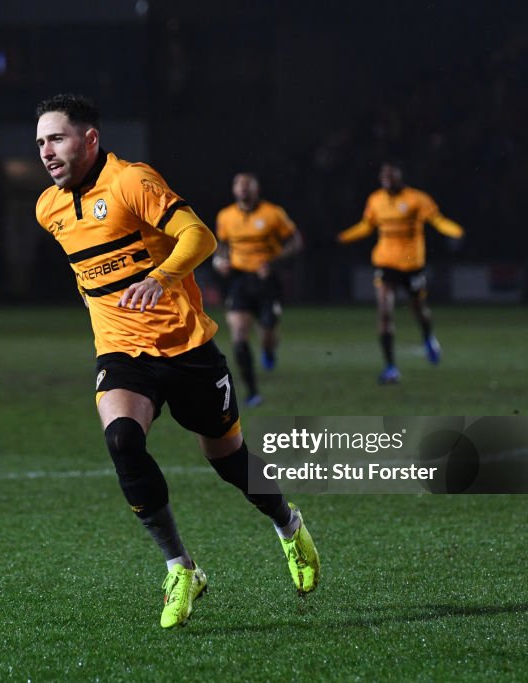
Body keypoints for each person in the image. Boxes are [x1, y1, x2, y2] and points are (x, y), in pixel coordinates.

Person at [34, 93, 319, 629]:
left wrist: (161, 277)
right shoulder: (48, 208)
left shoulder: (131, 182)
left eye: (57, 138)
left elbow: (200, 236)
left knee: (229, 462)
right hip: (122, 354)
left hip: (187, 350)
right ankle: (181, 567)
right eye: (41, 142)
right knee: (121, 439)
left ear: (89, 139)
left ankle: (287, 525)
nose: (46, 152)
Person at [337, 162, 464, 384]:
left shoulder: (417, 199)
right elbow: (367, 226)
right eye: (384, 177)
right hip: (385, 263)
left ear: (399, 177)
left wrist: (454, 231)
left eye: (391, 176)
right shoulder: (375, 200)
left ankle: (428, 338)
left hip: (412, 264)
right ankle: (390, 367)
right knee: (384, 312)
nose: (387, 180)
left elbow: (437, 220)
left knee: (419, 310)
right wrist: (344, 237)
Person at [213, 173, 302, 407]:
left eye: (247, 185)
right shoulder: (225, 216)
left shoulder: (273, 213)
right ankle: (252, 391)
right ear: (234, 190)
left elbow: (295, 241)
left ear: (256, 189)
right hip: (240, 281)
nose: (243, 189)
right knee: (239, 336)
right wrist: (220, 261)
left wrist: (273, 263)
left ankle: (269, 350)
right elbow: (222, 246)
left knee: (269, 326)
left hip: (267, 281)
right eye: (238, 185)